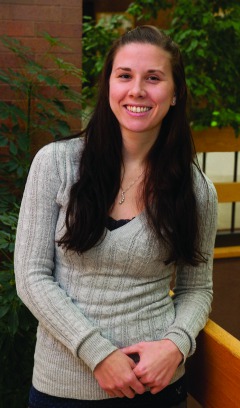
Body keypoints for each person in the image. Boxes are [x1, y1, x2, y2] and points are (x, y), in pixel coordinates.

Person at [14, 25, 218, 408]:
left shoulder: (196, 189)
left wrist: (176, 345)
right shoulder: (57, 163)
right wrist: (98, 353)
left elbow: (197, 289)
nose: (137, 90)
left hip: (155, 388)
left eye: (154, 78)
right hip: (63, 387)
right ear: (108, 85)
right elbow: (31, 275)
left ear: (174, 94)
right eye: (124, 75)